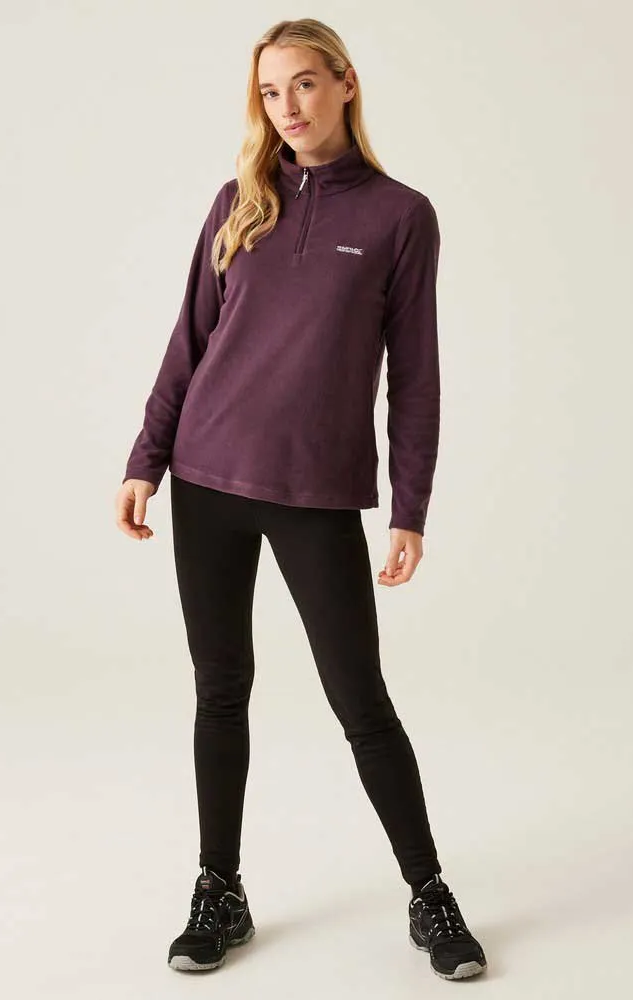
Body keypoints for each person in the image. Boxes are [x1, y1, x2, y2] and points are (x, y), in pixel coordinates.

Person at [114, 17, 488, 982]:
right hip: (205, 478)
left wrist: (409, 507)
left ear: (346, 84)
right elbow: (189, 342)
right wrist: (146, 458)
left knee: (360, 700)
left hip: (316, 490)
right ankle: (220, 889)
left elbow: (417, 375)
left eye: (306, 84)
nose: (288, 107)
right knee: (220, 691)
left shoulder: (402, 216)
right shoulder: (239, 202)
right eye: (271, 92)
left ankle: (430, 894)